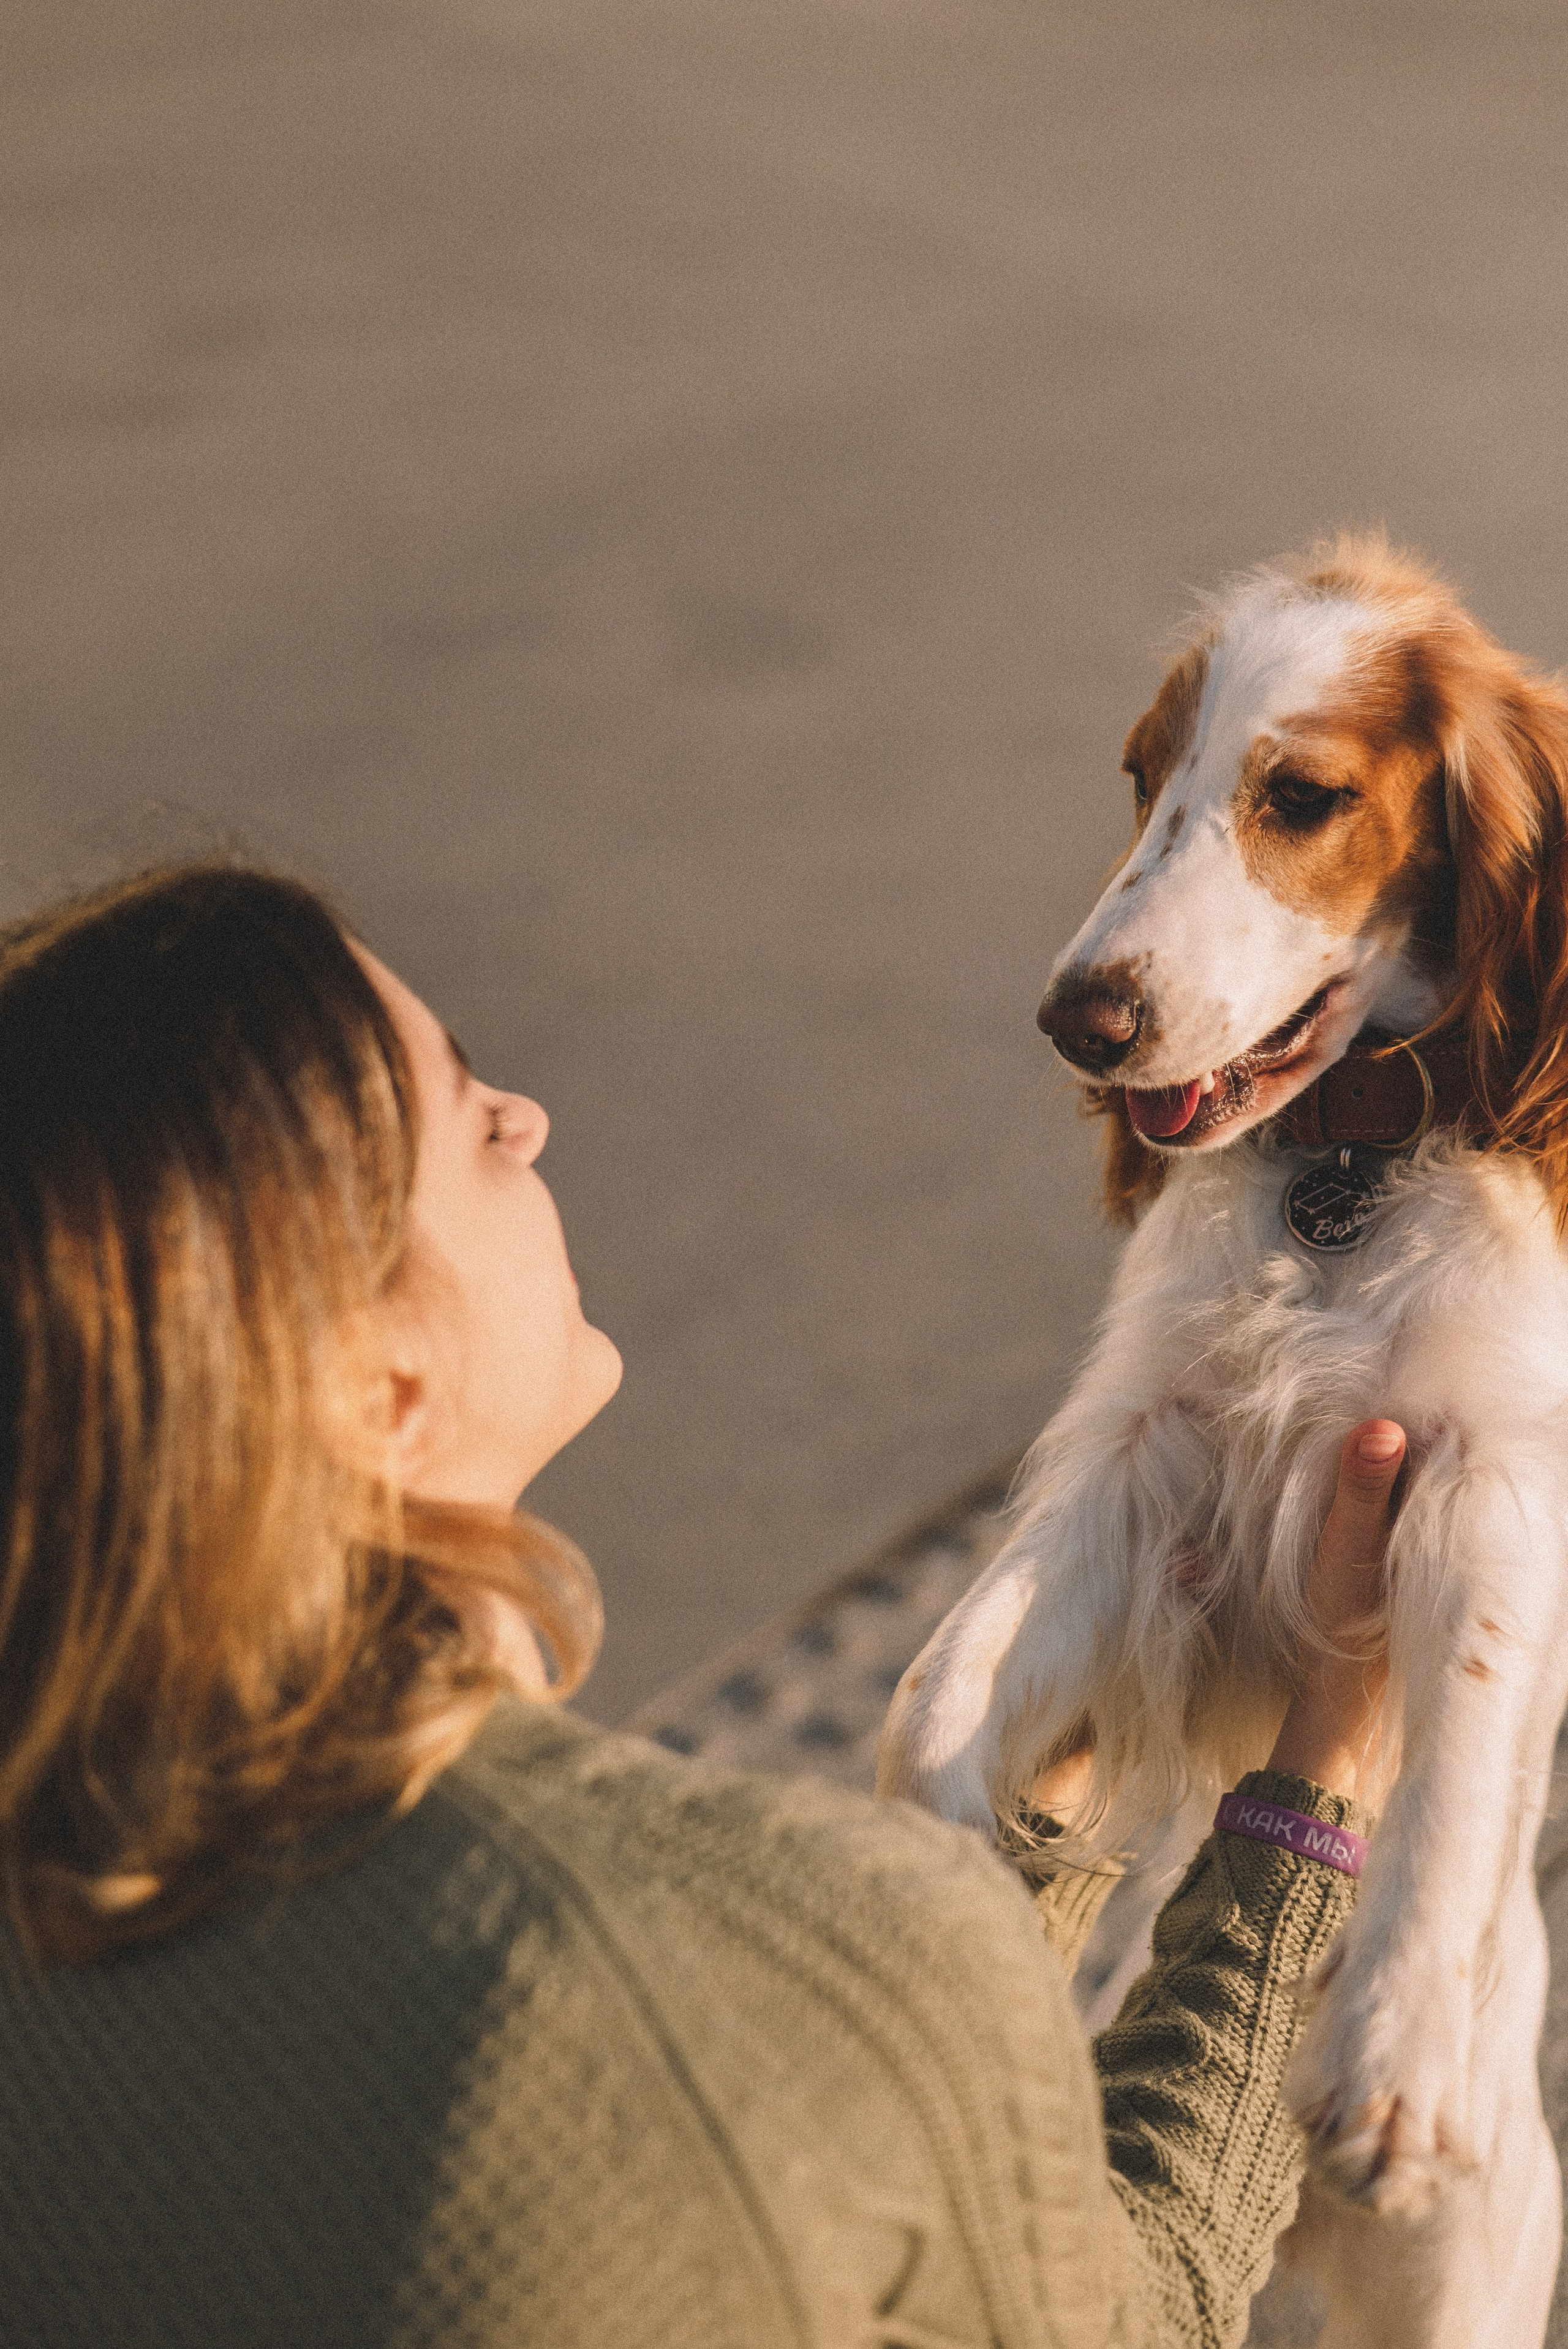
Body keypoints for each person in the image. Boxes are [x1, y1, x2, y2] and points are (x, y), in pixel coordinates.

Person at [0, 862, 1401, 2349]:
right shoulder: (732, 1953)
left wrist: (1044, 1810)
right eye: (466, 1113)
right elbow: (1142, 2311)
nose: (523, 1118)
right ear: (373, 1391)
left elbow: (817, 2114)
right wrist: (1318, 1783)